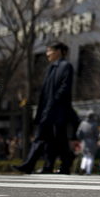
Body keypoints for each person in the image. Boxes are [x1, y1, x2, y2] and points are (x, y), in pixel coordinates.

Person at [14, 41, 79, 175]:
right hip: (47, 110)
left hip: (57, 110)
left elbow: (64, 88)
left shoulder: (66, 66)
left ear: (59, 51)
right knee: (54, 140)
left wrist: (53, 103)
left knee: (44, 138)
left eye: (50, 50)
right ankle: (54, 165)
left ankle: (30, 164)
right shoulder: (50, 68)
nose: (47, 54)